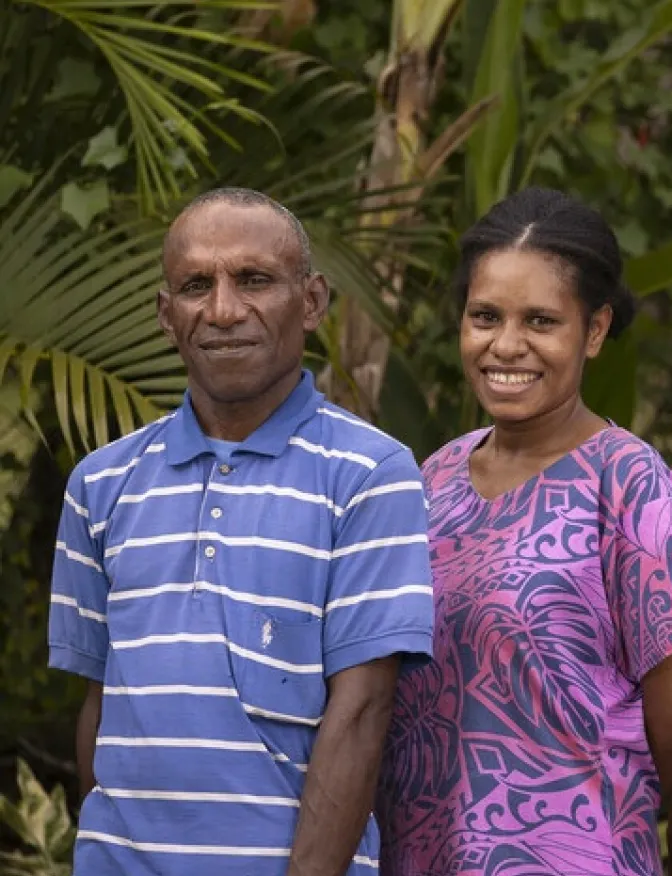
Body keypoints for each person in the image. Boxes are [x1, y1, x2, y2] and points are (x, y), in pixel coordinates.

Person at [46, 188, 435, 875]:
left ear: (311, 301)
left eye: (254, 279)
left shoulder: (371, 474)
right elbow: (102, 702)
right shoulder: (100, 485)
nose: (223, 310)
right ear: (167, 316)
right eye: (197, 285)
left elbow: (363, 709)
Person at [375, 186, 672, 876]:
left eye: (541, 321)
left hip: (572, 852)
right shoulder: (434, 479)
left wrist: (607, 797)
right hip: (420, 853)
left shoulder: (627, 483)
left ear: (594, 330)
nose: (506, 345)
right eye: (485, 316)